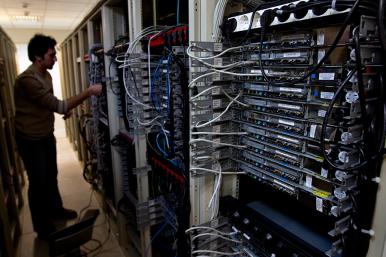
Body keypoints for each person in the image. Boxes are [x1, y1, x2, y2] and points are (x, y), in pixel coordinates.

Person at [13, 34, 102, 239]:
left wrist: (62, 110)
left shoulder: (46, 75)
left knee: (51, 176)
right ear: (38, 57)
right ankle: (41, 227)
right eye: (51, 55)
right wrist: (88, 92)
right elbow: (58, 104)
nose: (55, 59)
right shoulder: (27, 80)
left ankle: (56, 209)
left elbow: (49, 104)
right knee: (38, 182)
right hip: (30, 139)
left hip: (45, 134)